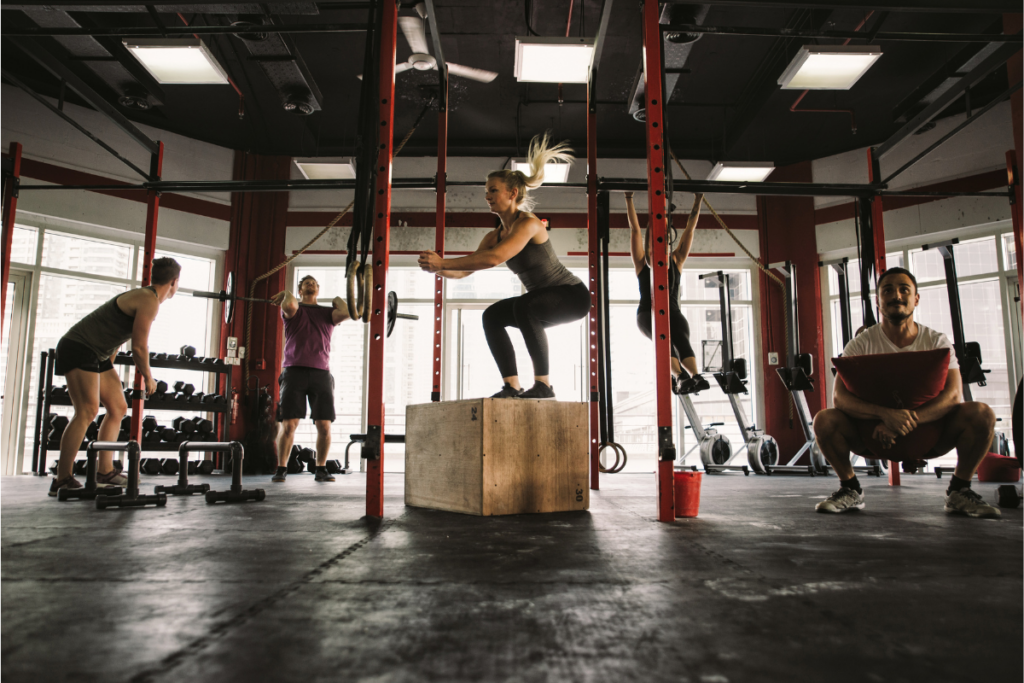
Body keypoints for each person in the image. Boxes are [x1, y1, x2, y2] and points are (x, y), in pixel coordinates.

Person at [812, 267, 999, 518]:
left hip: (930, 435)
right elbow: (840, 398)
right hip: (873, 437)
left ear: (916, 299)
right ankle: (850, 489)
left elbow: (954, 396)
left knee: (982, 414)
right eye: (887, 290)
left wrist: (901, 423)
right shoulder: (861, 344)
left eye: (904, 290)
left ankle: (959, 490)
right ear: (878, 301)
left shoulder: (936, 341)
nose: (896, 295)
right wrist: (885, 415)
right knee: (824, 419)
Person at [418, 133, 590, 400]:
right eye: (486, 191)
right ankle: (512, 386)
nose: (487, 195)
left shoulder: (529, 223)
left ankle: (543, 385)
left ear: (512, 193)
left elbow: (494, 258)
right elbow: (464, 271)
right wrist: (436, 268)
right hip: (540, 301)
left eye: (493, 190)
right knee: (492, 316)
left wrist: (442, 262)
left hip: (571, 296)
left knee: (524, 306)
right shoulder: (495, 235)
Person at [50, 258, 181, 497]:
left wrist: (105, 369)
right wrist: (149, 378)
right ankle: (62, 479)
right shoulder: (149, 301)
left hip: (96, 354)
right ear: (174, 282)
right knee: (87, 411)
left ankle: (105, 471)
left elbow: (115, 335)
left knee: (118, 408)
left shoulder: (145, 298)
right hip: (79, 347)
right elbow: (139, 348)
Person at [269, 275, 349, 483]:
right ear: (300, 290)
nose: (311, 284)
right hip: (294, 371)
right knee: (289, 425)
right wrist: (287, 293)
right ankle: (281, 468)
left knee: (324, 425)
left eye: (314, 283)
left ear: (318, 289)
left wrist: (337, 299)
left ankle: (321, 469)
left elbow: (348, 312)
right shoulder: (293, 310)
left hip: (321, 373)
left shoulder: (327, 313)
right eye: (306, 283)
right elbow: (288, 303)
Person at [626, 191, 707, 394]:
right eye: (652, 246)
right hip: (647, 314)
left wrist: (698, 199)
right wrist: (629, 198)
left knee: (680, 334)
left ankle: (695, 375)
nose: (656, 249)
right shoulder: (641, 264)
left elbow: (690, 229)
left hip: (673, 313)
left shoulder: (676, 260)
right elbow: (635, 230)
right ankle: (680, 375)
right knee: (665, 341)